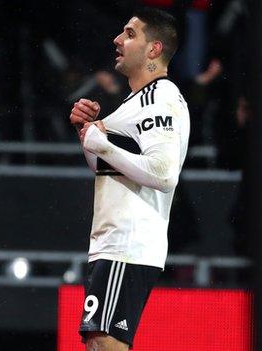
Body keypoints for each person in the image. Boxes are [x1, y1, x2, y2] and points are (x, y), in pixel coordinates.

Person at [69, 8, 190, 351]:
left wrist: (100, 142)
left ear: (154, 49)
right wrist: (88, 135)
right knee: (99, 342)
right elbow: (104, 167)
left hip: (128, 244)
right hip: (112, 244)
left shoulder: (160, 98)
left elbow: (164, 174)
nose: (117, 40)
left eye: (130, 33)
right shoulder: (132, 103)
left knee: (105, 343)